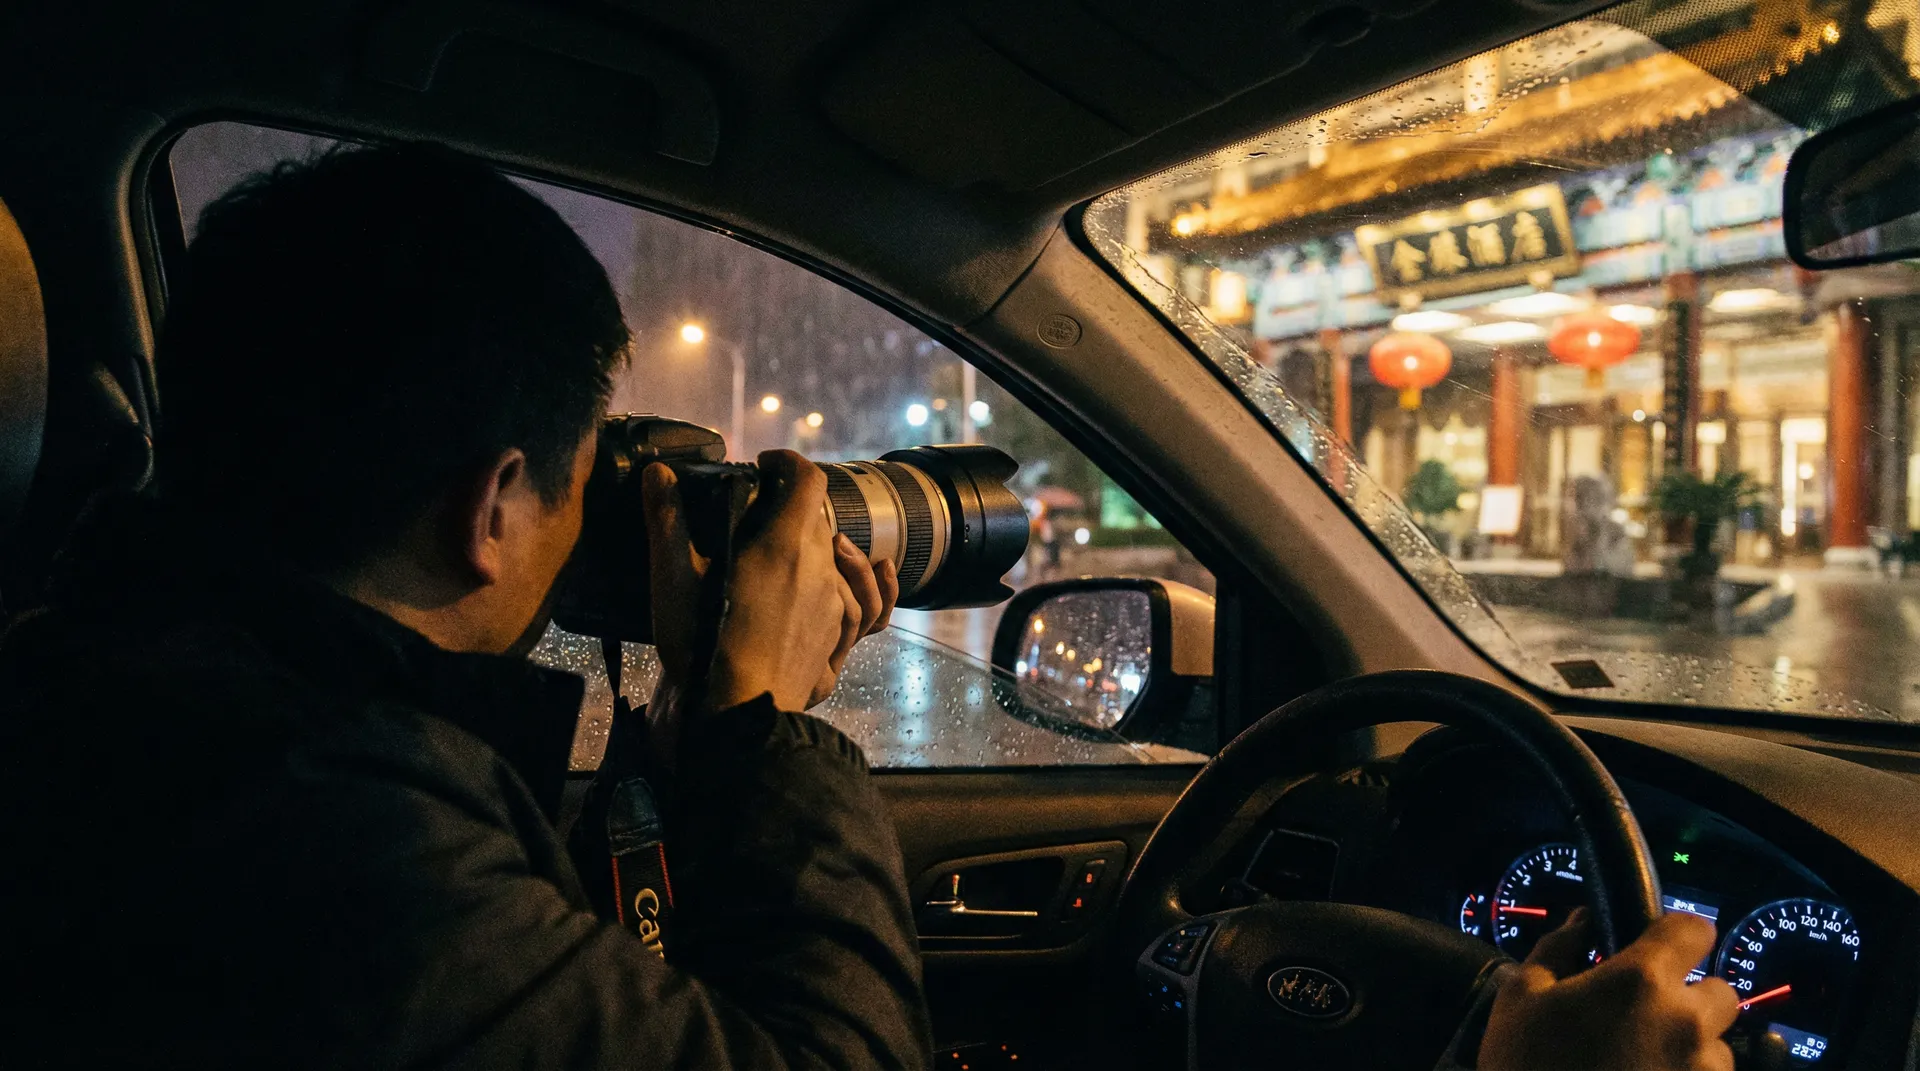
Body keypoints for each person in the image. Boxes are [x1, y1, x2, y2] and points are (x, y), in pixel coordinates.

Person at [0, 144, 1735, 1069]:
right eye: (589, 463)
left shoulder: (138, 703)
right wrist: (762, 723)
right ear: (495, 506)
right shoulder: (327, 846)